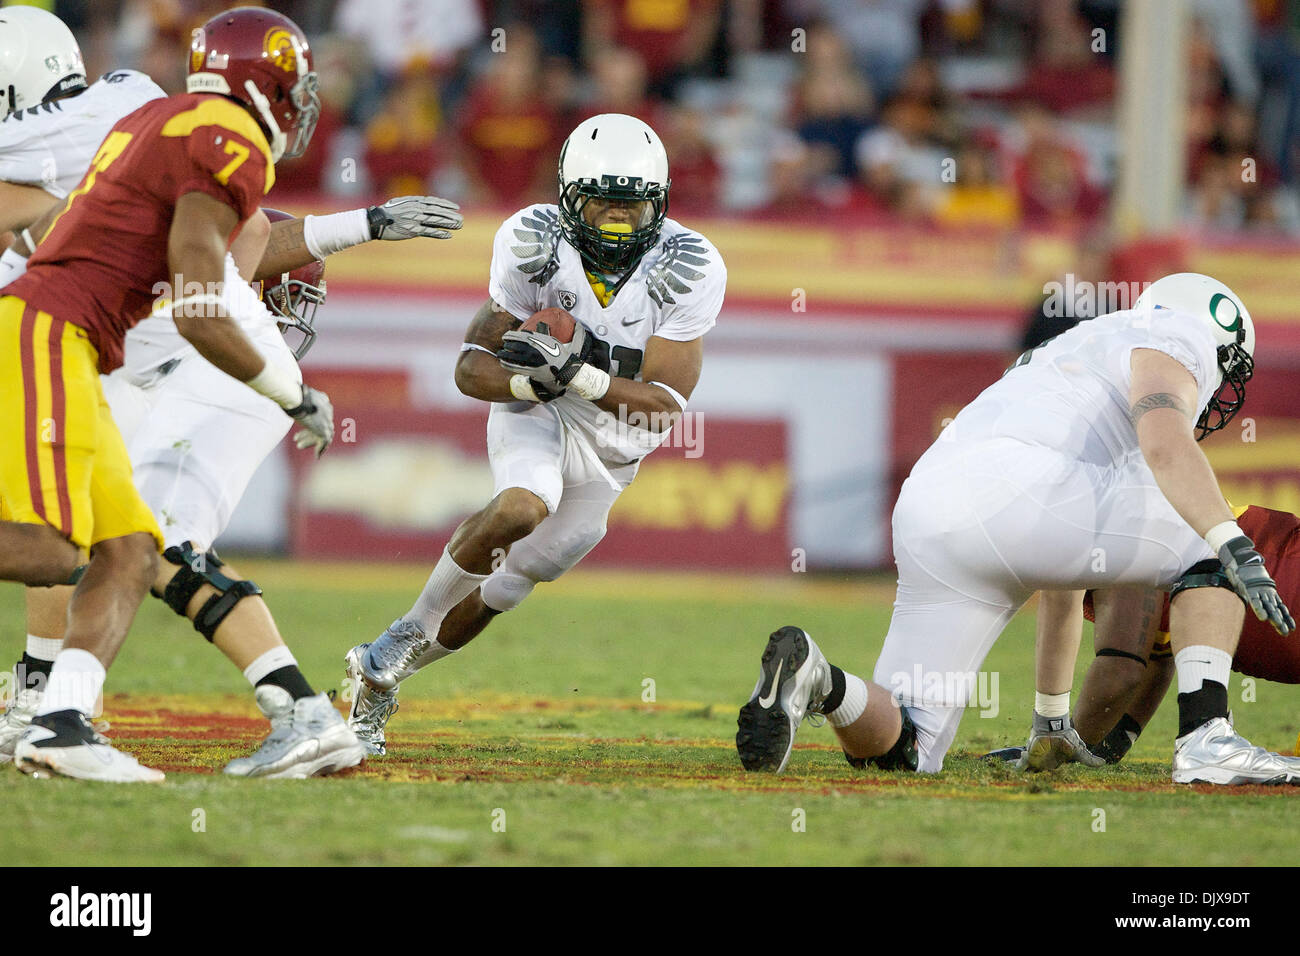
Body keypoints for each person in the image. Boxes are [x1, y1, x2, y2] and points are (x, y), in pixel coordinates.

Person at [0, 9, 462, 778]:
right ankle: (286, 713)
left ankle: (57, 720)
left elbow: (236, 248)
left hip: (91, 346)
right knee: (80, 545)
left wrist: (361, 226)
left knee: (127, 546)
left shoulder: (151, 116)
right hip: (72, 339)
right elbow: (209, 286)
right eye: (293, 87)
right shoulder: (178, 118)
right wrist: (290, 389)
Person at [735, 273, 1296, 785]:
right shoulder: (1176, 332)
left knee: (909, 748)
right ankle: (1207, 741)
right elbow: (1166, 443)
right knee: (1205, 528)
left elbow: (1064, 572)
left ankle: (819, 678)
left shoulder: (1072, 353)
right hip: (1014, 490)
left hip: (932, 506)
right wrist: (1230, 542)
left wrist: (1052, 719)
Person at [343, 113, 726, 756]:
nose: (615, 220)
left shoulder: (690, 265)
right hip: (540, 409)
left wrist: (576, 372)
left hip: (615, 446)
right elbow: (469, 368)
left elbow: (661, 408)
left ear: (657, 206)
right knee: (525, 502)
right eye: (601, 201)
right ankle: (401, 636)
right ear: (569, 196)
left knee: (508, 587)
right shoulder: (531, 240)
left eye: (631, 208)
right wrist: (532, 386)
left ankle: (380, 677)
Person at [991, 503, 1300, 768]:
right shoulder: (1112, 514)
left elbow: (1121, 668)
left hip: (1276, 566)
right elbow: (1156, 658)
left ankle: (1206, 740)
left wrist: (1059, 742)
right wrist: (1103, 747)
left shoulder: (1105, 525)